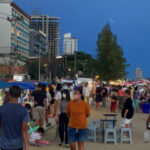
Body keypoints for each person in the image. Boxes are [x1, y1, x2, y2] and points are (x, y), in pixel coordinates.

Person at [0, 85, 29, 150]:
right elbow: (24, 129)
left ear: (9, 94)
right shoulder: (24, 110)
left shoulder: (1, 109)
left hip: (4, 144)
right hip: (18, 144)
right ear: (19, 95)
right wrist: (26, 145)